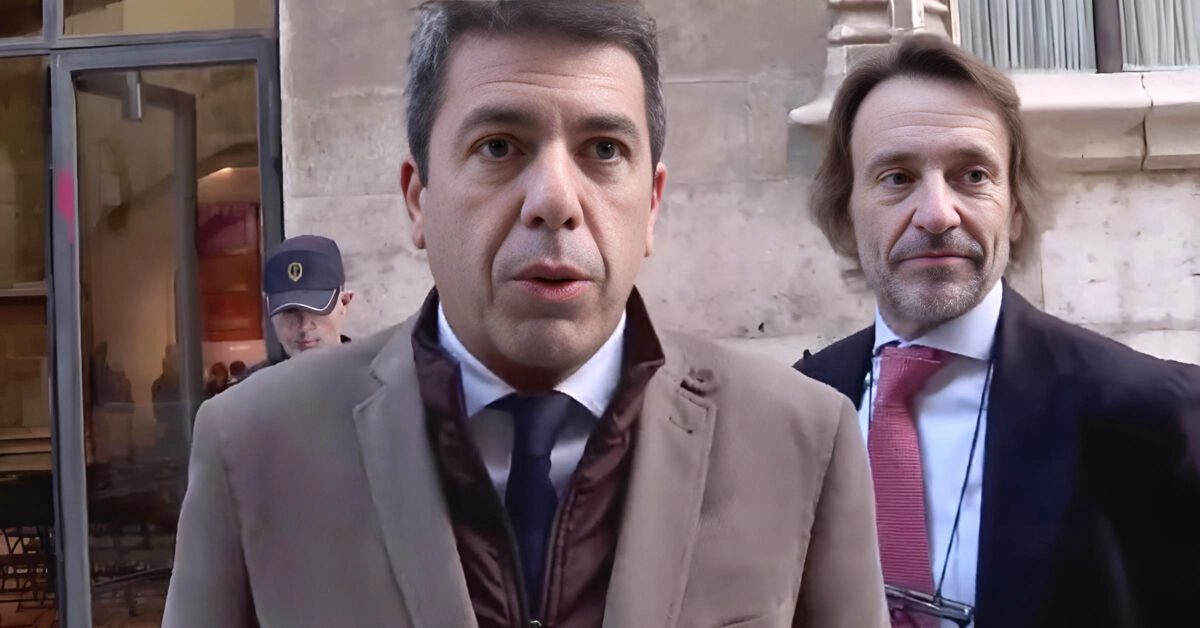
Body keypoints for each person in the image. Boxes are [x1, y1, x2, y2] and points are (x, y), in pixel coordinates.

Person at [164, 2, 887, 627]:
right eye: (499, 147)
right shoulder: (254, 448)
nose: (555, 200)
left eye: (603, 150)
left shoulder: (800, 441)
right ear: (418, 199)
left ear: (652, 205)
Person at [794, 34, 1200, 628]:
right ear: (846, 209)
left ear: (1014, 209)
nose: (937, 214)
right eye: (897, 178)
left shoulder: (1154, 413)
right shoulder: (795, 406)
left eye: (973, 175)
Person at [240, 234, 354, 380]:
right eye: (289, 311)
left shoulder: (375, 384)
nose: (304, 326)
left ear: (344, 302)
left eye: (316, 309)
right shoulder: (251, 389)